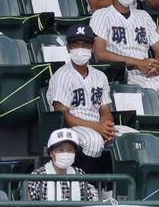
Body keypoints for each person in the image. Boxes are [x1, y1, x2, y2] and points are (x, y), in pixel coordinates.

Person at [46, 25, 136, 170]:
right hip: (72, 127)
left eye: (85, 45)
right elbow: (63, 116)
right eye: (75, 45)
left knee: (131, 136)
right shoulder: (62, 76)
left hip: (97, 125)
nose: (80, 49)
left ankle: (111, 189)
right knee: (93, 140)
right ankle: (88, 186)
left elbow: (105, 110)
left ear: (92, 48)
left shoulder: (100, 76)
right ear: (68, 48)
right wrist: (97, 128)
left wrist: (106, 126)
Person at [27, 129, 98, 202]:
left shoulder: (79, 174)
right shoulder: (38, 175)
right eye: (61, 150)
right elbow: (28, 206)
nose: (66, 154)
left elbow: (89, 202)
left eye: (70, 150)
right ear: (51, 153)